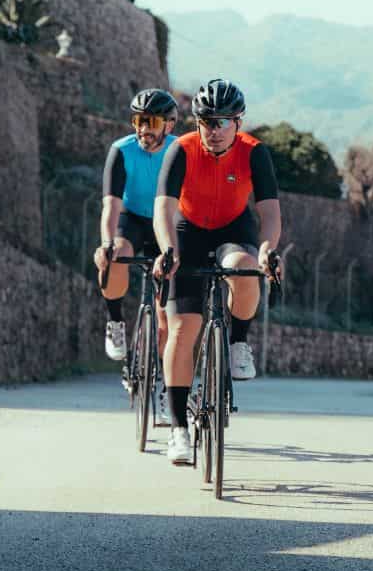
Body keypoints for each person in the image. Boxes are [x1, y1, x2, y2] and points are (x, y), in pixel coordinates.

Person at [152, 78, 282, 466]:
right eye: (208, 121)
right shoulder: (182, 150)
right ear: (197, 122)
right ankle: (178, 429)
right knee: (182, 328)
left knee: (243, 271)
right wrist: (167, 250)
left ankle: (238, 341)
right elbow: (164, 207)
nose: (215, 130)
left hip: (233, 230)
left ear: (238, 122)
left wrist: (267, 249)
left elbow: (270, 211)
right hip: (188, 233)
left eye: (224, 122)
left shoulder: (255, 153)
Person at [93, 88, 180, 364]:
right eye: (138, 121)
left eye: (152, 122)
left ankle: (165, 376)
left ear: (170, 124)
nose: (144, 129)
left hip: (165, 222)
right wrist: (106, 242)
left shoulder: (180, 150)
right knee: (115, 253)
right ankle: (116, 321)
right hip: (130, 219)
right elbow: (111, 205)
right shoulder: (121, 150)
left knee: (166, 310)